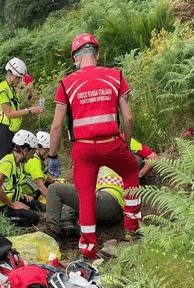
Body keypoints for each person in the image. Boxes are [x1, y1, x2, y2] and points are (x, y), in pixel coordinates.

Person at [48, 33, 140, 259]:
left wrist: (52, 156)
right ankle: (132, 231)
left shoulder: (66, 84)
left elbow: (57, 126)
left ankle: (88, 248)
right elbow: (128, 119)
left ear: (75, 59)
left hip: (83, 149)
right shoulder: (115, 75)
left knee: (86, 195)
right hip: (112, 143)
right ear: (96, 54)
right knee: (130, 172)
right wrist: (125, 146)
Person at [44, 167, 128, 240]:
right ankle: (68, 223)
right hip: (116, 212)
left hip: (104, 201)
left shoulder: (95, 166)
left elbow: (77, 189)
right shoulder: (119, 168)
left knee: (54, 188)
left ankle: (52, 232)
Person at [0, 130, 44, 227]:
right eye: (32, 152)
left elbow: (11, 185)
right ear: (25, 150)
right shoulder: (7, 163)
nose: (32, 156)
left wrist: (19, 194)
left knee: (38, 206)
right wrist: (13, 204)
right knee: (33, 218)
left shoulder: (18, 164)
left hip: (5, 200)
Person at [0, 58, 44, 159]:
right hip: (3, 129)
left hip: (11, 129)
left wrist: (31, 90)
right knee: (6, 162)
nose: (20, 81)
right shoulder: (3, 90)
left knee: (14, 160)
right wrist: (29, 110)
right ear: (10, 75)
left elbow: (28, 101)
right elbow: (9, 113)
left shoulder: (12, 88)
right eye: (18, 78)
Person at [20, 131, 56, 204]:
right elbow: (40, 185)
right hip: (25, 195)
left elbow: (44, 175)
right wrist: (53, 202)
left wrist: (55, 181)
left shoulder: (39, 159)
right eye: (46, 149)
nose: (49, 153)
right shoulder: (34, 161)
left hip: (31, 192)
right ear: (38, 148)